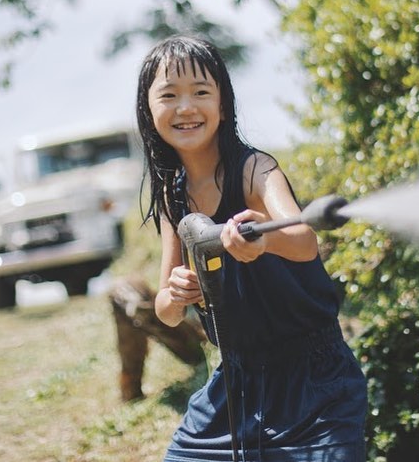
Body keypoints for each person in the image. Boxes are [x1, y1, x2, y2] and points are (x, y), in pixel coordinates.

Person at [135, 34, 367, 462]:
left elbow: (303, 242)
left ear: (223, 106)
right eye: (169, 95)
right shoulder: (172, 194)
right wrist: (178, 291)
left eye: (201, 92)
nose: (186, 107)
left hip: (313, 376)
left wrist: (264, 239)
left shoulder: (255, 170)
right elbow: (166, 312)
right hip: (236, 383)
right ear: (149, 113)